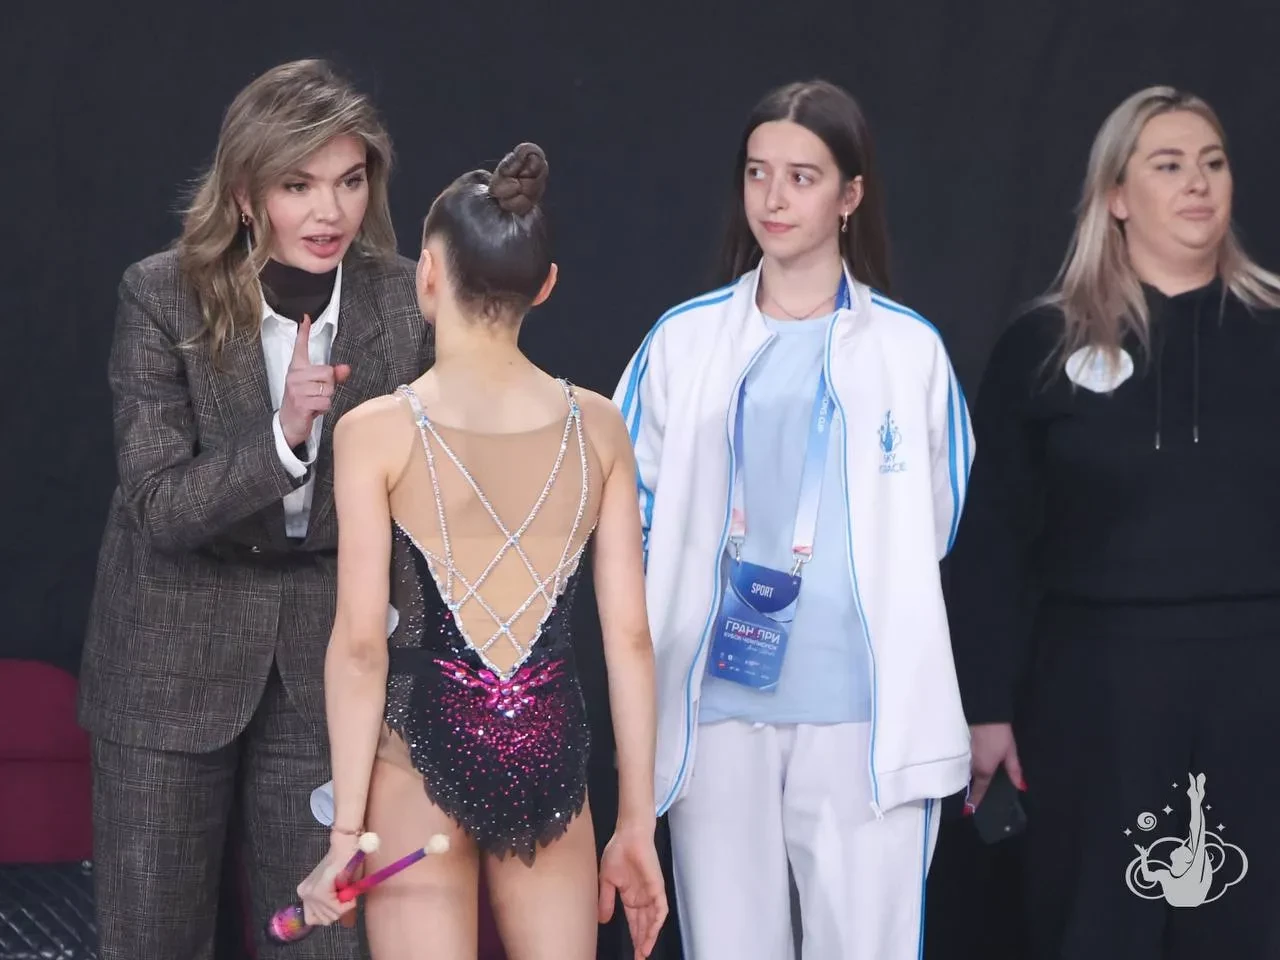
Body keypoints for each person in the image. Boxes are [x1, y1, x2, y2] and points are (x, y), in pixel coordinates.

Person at [77, 59, 433, 960]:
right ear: (245, 195)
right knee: (152, 940)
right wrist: (282, 438)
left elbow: (428, 506)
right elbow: (159, 503)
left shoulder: (406, 301)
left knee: (318, 941)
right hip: (167, 661)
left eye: (349, 181)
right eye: (298, 185)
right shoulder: (161, 294)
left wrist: (409, 680)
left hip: (328, 666)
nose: (329, 211)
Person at [612, 80, 974, 960]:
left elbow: (937, 518)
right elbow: (626, 509)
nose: (773, 198)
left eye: (802, 177)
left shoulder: (909, 350)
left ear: (851, 195)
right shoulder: (684, 341)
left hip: (862, 719)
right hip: (715, 710)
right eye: (757, 172)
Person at [297, 142, 668, 960]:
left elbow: (360, 646)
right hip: (550, 759)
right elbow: (631, 641)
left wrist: (346, 836)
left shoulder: (374, 432)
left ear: (428, 273)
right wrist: (635, 824)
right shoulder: (600, 426)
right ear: (546, 285)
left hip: (415, 761)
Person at [948, 86, 1280, 959]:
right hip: (1093, 691)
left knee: (1247, 925)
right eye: (1168, 165)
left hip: (1257, 684)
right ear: (1117, 195)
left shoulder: (1272, 331)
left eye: (1212, 163)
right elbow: (993, 540)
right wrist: (985, 706)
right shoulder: (1043, 346)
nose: (1198, 183)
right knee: (1099, 925)